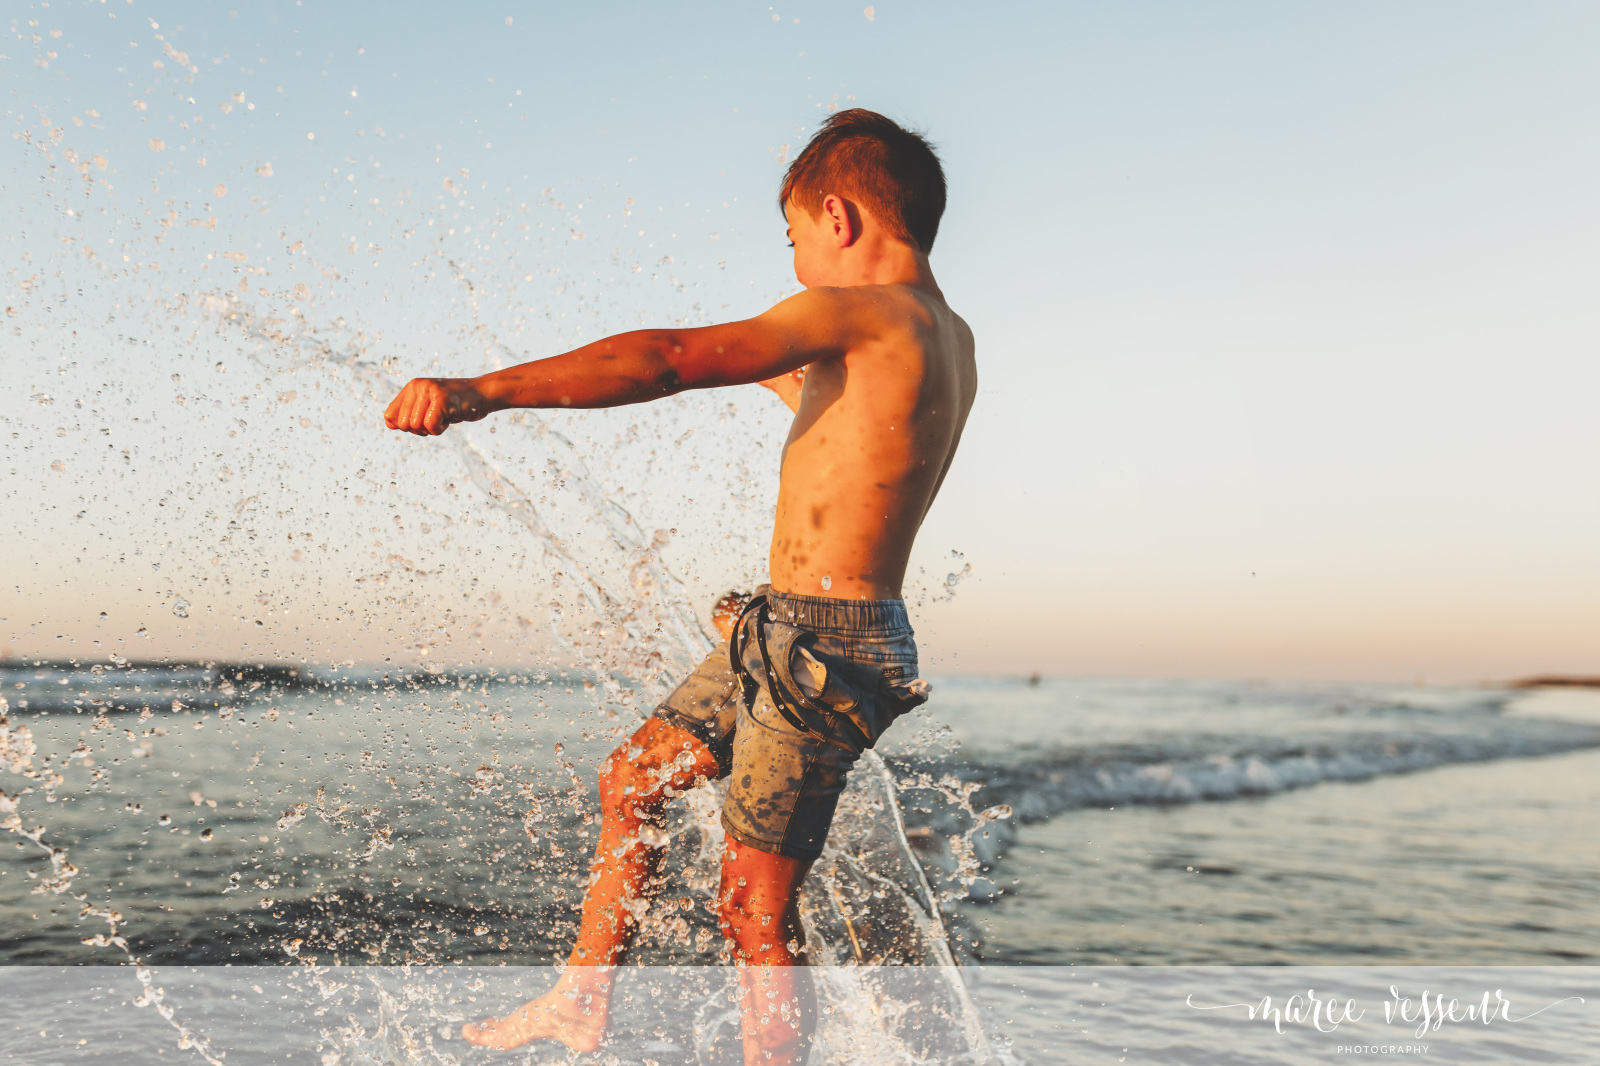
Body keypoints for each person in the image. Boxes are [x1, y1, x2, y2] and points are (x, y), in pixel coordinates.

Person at [384, 109, 975, 1066]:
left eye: (793, 240)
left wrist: (481, 391)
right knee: (635, 780)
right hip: (797, 629)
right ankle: (582, 998)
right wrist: (764, 371)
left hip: (822, 648)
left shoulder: (861, 311)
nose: (797, 270)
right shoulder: (944, 336)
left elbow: (667, 360)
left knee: (752, 909)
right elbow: (847, 418)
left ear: (838, 217)